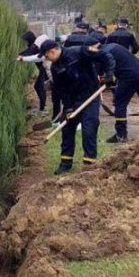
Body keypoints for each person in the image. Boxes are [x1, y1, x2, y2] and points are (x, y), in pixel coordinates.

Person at [38, 37, 116, 175]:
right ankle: (65, 163)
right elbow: (62, 90)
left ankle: (89, 164)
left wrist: (109, 74)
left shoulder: (80, 51)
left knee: (89, 128)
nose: (46, 59)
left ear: (52, 51)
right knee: (67, 129)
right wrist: (68, 108)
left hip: (90, 97)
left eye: (46, 56)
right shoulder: (55, 68)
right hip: (73, 101)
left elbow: (105, 55)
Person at [101, 43, 139, 142]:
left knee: (120, 103)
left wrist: (107, 79)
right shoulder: (114, 46)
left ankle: (121, 135)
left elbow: (105, 71)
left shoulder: (102, 54)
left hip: (129, 76)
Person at [19, 30, 48, 112]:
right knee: (38, 86)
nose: (26, 43)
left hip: (45, 69)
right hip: (42, 69)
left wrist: (18, 56)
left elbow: (29, 52)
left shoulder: (35, 47)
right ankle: (43, 106)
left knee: (40, 86)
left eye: (26, 40)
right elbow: (28, 51)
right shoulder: (33, 46)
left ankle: (43, 108)